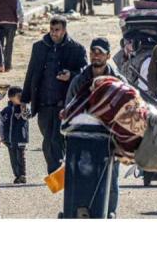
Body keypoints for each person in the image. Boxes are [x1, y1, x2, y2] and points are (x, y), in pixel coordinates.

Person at [65, 37, 124, 218]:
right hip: (82, 137)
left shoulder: (119, 81)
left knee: (109, 178)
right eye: (93, 51)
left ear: (108, 55)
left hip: (109, 138)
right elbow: (69, 110)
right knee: (79, 178)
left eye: (100, 52)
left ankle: (109, 212)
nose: (96, 55)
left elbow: (127, 111)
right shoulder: (79, 81)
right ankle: (78, 211)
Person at [21, 15, 87, 174]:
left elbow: (85, 73)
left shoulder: (77, 49)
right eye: (51, 29)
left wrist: (70, 75)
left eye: (57, 30)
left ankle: (56, 175)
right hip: (43, 103)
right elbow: (31, 74)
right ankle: (61, 171)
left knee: (55, 140)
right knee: (48, 140)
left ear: (64, 30)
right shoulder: (39, 47)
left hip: (64, 104)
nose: (53, 33)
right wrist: (25, 99)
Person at [0, 86, 29, 184]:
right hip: (9, 138)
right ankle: (17, 175)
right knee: (13, 157)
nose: (21, 98)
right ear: (11, 98)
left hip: (20, 137)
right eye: (19, 96)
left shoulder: (24, 107)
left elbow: (27, 116)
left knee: (21, 156)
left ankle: (22, 175)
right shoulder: (6, 110)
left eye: (22, 96)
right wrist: (1, 136)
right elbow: (1, 124)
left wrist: (24, 108)